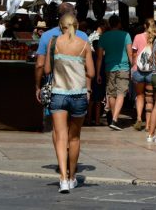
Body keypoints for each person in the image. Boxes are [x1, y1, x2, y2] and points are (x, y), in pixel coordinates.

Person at [44, 12, 94, 194]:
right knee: (75, 138)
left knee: (60, 136)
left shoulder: (54, 42)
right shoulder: (84, 45)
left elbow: (47, 69)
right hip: (79, 94)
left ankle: (63, 179)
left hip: (58, 93)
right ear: (77, 26)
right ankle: (73, 176)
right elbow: (92, 72)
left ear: (60, 26)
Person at [95, 14, 131, 130]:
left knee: (111, 93)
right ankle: (115, 119)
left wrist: (98, 73)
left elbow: (99, 57)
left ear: (110, 24)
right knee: (121, 93)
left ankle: (113, 118)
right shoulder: (126, 35)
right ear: (119, 24)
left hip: (109, 68)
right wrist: (133, 66)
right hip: (124, 67)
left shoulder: (104, 36)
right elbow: (130, 54)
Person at [130, 18, 156, 130]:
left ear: (144, 26)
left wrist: (133, 67)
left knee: (140, 96)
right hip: (151, 71)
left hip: (139, 71)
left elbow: (134, 54)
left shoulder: (137, 37)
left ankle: (139, 117)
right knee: (149, 98)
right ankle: (148, 124)